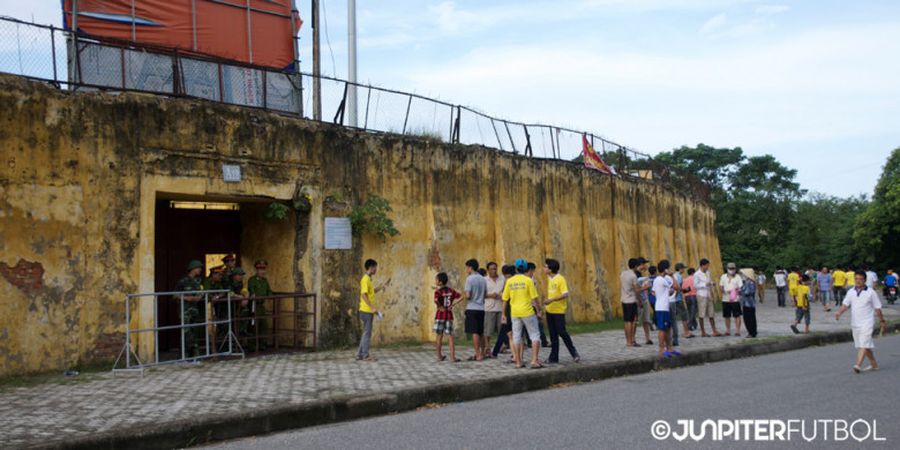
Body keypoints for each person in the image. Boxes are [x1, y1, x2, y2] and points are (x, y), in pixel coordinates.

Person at [836, 272, 887, 373]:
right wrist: (839, 313)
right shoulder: (851, 291)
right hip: (855, 322)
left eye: (860, 279)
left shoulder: (871, 292)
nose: (858, 281)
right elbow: (845, 304)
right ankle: (874, 364)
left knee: (864, 343)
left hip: (867, 322)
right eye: (856, 279)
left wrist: (882, 320)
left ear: (865, 280)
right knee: (863, 345)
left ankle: (858, 365)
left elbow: (877, 308)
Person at [502, 259, 543, 369]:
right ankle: (534, 360)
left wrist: (503, 314)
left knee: (516, 337)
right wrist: (539, 311)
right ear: (525, 269)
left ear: (515, 269)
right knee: (534, 335)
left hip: (515, 313)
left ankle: (518, 362)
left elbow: (505, 299)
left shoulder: (509, 281)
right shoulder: (528, 280)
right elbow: (534, 298)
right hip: (527, 311)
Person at [543, 259, 580, 364]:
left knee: (562, 333)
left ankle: (574, 353)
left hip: (558, 311)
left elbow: (565, 294)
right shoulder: (549, 279)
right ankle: (553, 357)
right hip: (549, 310)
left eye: (546, 267)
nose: (544, 269)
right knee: (553, 335)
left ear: (551, 269)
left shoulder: (560, 279)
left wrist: (551, 300)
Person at [357, 259, 390, 362]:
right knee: (367, 333)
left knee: (365, 333)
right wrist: (372, 307)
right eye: (375, 267)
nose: (376, 269)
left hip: (367, 310)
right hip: (366, 311)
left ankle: (360, 354)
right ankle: (365, 355)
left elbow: (371, 291)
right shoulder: (365, 279)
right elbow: (363, 294)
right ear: (371, 268)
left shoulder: (368, 279)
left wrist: (382, 286)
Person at [175, 260, 206, 358]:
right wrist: (186, 298)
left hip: (194, 310)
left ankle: (193, 355)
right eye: (198, 268)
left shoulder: (198, 281)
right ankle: (183, 355)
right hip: (185, 311)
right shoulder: (183, 281)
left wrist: (199, 297)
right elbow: (175, 295)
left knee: (193, 331)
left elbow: (202, 292)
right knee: (186, 332)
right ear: (193, 269)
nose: (200, 270)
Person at [433, 272, 462, 362]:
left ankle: (439, 356)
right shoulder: (451, 291)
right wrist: (453, 304)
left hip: (440, 315)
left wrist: (439, 306)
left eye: (437, 280)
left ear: (440, 282)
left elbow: (436, 300)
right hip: (449, 315)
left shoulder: (438, 292)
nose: (436, 281)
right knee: (450, 336)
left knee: (439, 335)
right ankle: (452, 357)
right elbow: (461, 296)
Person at [463, 259, 487, 361]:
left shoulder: (469, 279)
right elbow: (485, 294)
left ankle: (478, 354)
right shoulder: (483, 279)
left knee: (474, 332)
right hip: (481, 308)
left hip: (472, 307)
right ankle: (482, 352)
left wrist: (465, 295)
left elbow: (468, 295)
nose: (466, 270)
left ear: (470, 267)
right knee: (481, 331)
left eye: (467, 267)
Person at [653, 260, 678, 357]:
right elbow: (676, 287)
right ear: (666, 269)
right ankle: (661, 349)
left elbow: (669, 291)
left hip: (663, 306)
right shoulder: (661, 280)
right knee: (662, 329)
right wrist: (672, 276)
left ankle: (669, 347)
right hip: (662, 308)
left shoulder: (657, 280)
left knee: (667, 328)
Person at [247, 260, 274, 350]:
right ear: (257, 270)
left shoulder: (265, 281)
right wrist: (253, 294)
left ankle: (262, 345)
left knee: (263, 325)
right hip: (254, 306)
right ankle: (252, 346)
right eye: (260, 269)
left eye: (264, 269)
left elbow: (268, 291)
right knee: (254, 325)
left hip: (261, 305)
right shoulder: (252, 280)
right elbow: (251, 290)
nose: (263, 271)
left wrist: (270, 296)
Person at [491, 265, 516, 358]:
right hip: (511, 310)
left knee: (507, 333)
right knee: (507, 332)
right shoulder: (509, 282)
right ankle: (498, 351)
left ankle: (513, 353)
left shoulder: (510, 282)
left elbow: (505, 297)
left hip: (510, 310)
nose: (506, 278)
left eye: (507, 276)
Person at [483, 262, 505, 358]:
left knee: (501, 329)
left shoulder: (502, 279)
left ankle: (501, 346)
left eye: (495, 268)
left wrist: (501, 295)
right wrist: (491, 295)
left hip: (500, 307)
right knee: (488, 330)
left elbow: (506, 290)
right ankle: (487, 347)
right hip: (489, 307)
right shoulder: (484, 280)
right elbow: (482, 294)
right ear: (488, 270)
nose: (494, 271)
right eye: (491, 269)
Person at [694, 258, 721, 337]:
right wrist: (705, 285)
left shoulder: (708, 273)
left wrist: (712, 284)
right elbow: (695, 285)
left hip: (708, 294)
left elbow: (709, 282)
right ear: (702, 265)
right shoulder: (697, 274)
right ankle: (703, 331)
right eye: (707, 265)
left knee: (711, 313)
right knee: (701, 314)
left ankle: (714, 330)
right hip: (701, 295)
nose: (708, 267)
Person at [526, 262, 550, 348]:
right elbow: (534, 296)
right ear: (530, 270)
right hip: (531, 305)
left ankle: (537, 342)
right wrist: (538, 308)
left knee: (534, 325)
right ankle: (542, 342)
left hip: (530, 305)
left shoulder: (532, 280)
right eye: (533, 271)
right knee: (538, 324)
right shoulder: (530, 281)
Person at [620, 258, 642, 347]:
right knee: (632, 321)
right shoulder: (633, 276)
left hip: (624, 299)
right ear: (636, 266)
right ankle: (631, 341)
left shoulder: (623, 274)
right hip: (631, 300)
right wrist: (645, 288)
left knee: (626, 321)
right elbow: (636, 290)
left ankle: (628, 341)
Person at [719, 263, 743, 337]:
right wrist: (723, 290)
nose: (732, 270)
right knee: (727, 315)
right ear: (727, 268)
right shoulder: (723, 276)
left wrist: (734, 291)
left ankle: (737, 330)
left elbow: (740, 287)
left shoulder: (738, 277)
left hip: (735, 299)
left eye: (733, 268)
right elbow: (721, 286)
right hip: (725, 298)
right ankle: (728, 330)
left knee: (737, 315)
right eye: (730, 268)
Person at [228, 267, 251, 344]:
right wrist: (239, 297)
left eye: (242, 275)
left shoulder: (240, 283)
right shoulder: (229, 283)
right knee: (229, 326)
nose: (241, 277)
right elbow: (229, 293)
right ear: (234, 276)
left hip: (237, 307)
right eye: (239, 275)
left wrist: (246, 298)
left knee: (245, 312)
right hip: (228, 308)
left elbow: (245, 291)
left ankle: (242, 331)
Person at [672, 262, 693, 342]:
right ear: (680, 269)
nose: (684, 270)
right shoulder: (679, 276)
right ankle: (686, 332)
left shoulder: (674, 275)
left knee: (674, 315)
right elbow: (677, 287)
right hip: (677, 299)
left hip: (675, 298)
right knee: (684, 315)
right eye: (683, 268)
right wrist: (677, 294)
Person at [636, 258, 655, 344]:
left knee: (646, 320)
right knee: (636, 321)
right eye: (645, 264)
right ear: (641, 264)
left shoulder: (640, 274)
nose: (646, 266)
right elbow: (636, 290)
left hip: (644, 298)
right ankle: (632, 339)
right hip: (638, 300)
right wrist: (646, 287)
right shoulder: (635, 275)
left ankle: (648, 338)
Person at [740, 272, 758, 338]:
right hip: (745, 303)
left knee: (750, 319)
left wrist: (740, 291)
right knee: (748, 319)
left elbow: (748, 292)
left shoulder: (750, 282)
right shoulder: (746, 282)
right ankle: (751, 332)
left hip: (749, 303)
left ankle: (752, 332)